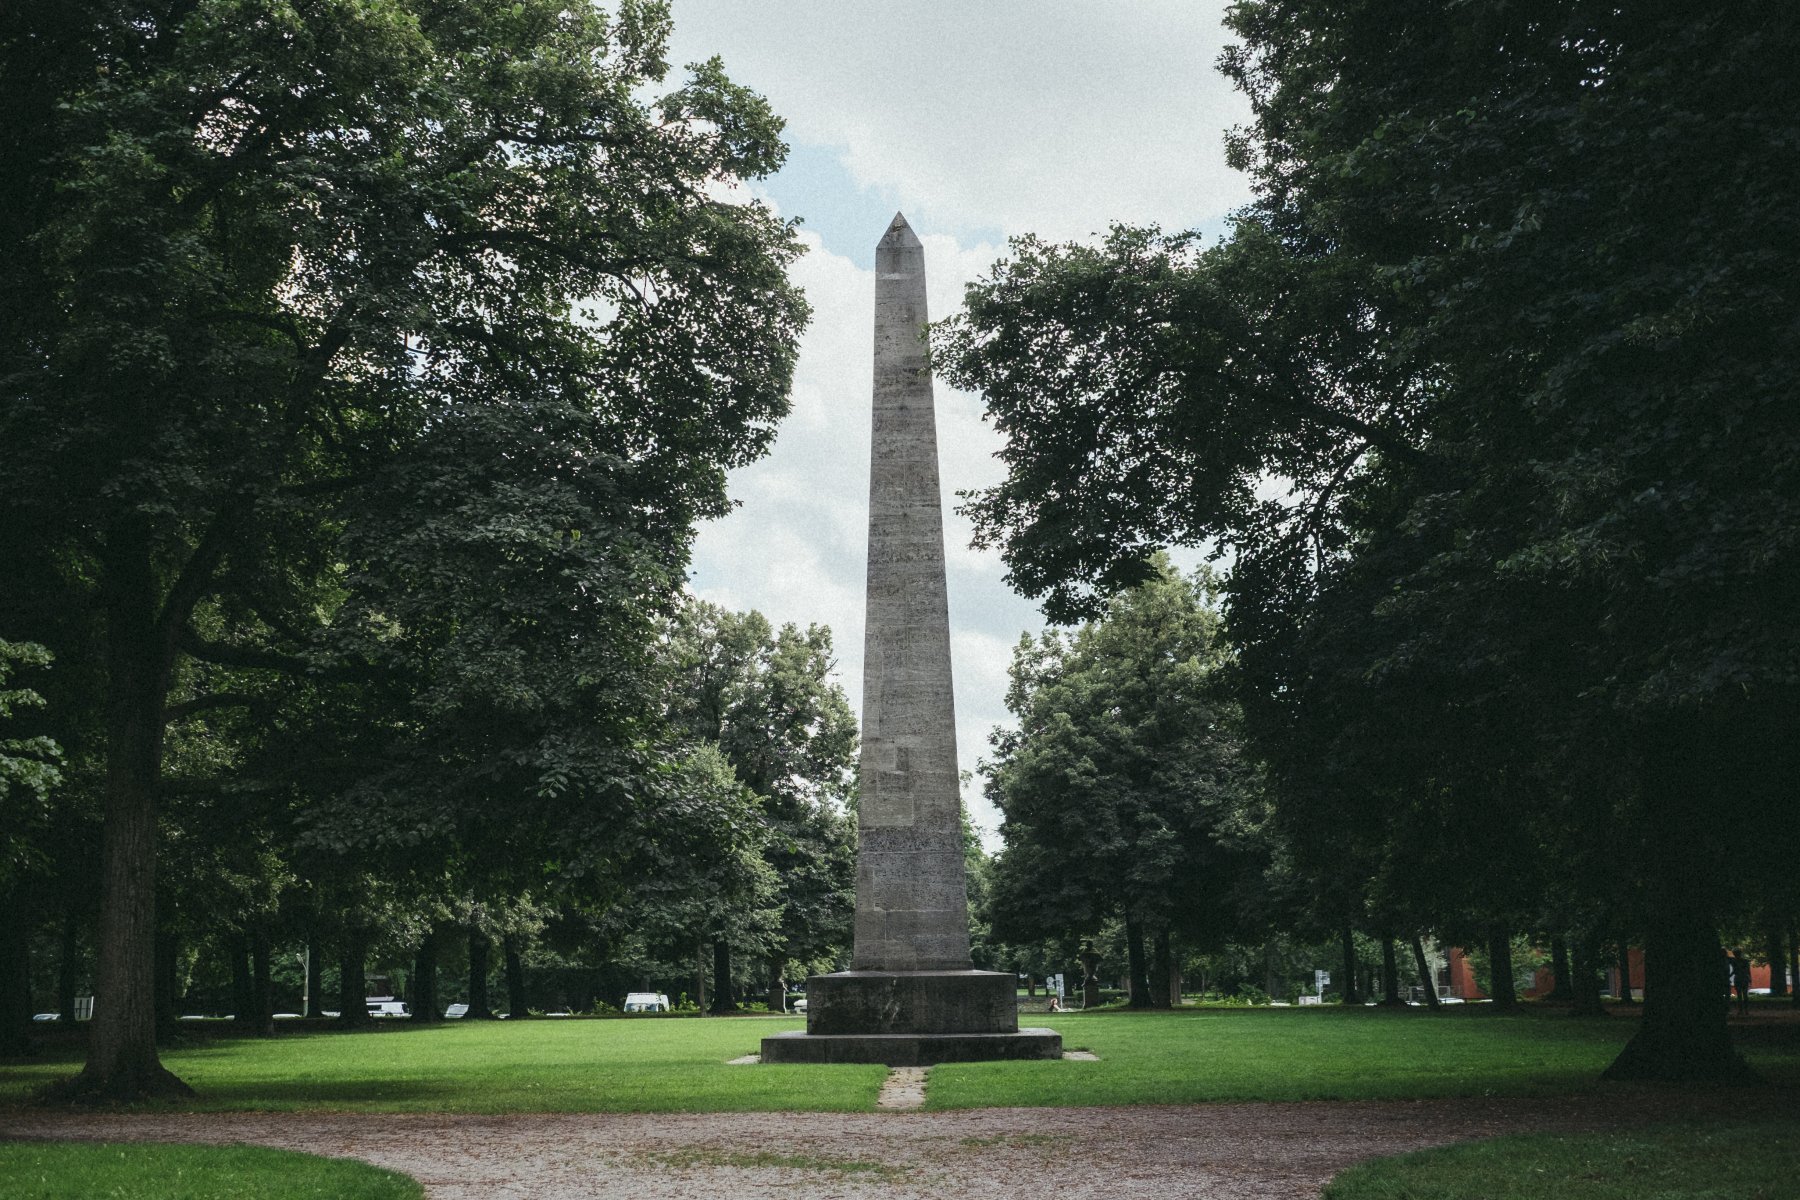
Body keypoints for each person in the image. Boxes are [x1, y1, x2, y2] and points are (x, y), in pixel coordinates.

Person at [1730, 949, 1753, 1016]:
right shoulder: (1745, 961)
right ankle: (1746, 1010)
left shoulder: (1734, 961)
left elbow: (1734, 970)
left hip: (1738, 978)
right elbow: (1748, 971)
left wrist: (1729, 976)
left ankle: (1741, 1010)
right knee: (1745, 995)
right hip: (1744, 978)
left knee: (1740, 996)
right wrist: (1750, 979)